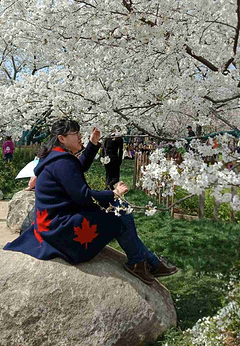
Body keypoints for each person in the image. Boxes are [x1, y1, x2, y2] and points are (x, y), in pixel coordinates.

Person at [3, 118, 177, 285]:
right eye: (76, 134)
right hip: (62, 231)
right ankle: (143, 262)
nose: (80, 137)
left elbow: (77, 169)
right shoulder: (62, 162)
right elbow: (84, 196)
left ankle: (146, 262)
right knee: (120, 211)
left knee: (118, 210)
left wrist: (93, 144)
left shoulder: (55, 158)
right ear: (62, 138)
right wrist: (113, 194)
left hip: (51, 224)